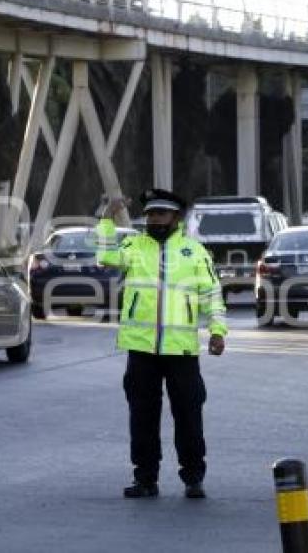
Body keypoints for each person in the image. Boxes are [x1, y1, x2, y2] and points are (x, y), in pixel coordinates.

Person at [96, 189, 227, 499]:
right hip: (141, 350)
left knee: (189, 416)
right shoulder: (133, 246)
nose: (154, 219)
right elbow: (104, 257)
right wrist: (106, 219)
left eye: (161, 214)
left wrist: (218, 331)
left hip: (181, 351)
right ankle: (145, 479)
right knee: (142, 417)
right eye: (151, 213)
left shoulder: (194, 251)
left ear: (175, 218)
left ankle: (193, 477)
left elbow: (211, 295)